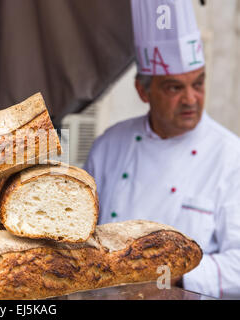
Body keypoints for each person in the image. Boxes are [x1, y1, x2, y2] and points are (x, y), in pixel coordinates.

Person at [84, 0, 240, 299]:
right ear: (143, 91)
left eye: (198, 84)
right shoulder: (109, 145)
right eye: (174, 88)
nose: (191, 99)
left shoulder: (231, 157)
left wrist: (172, 276)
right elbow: (84, 239)